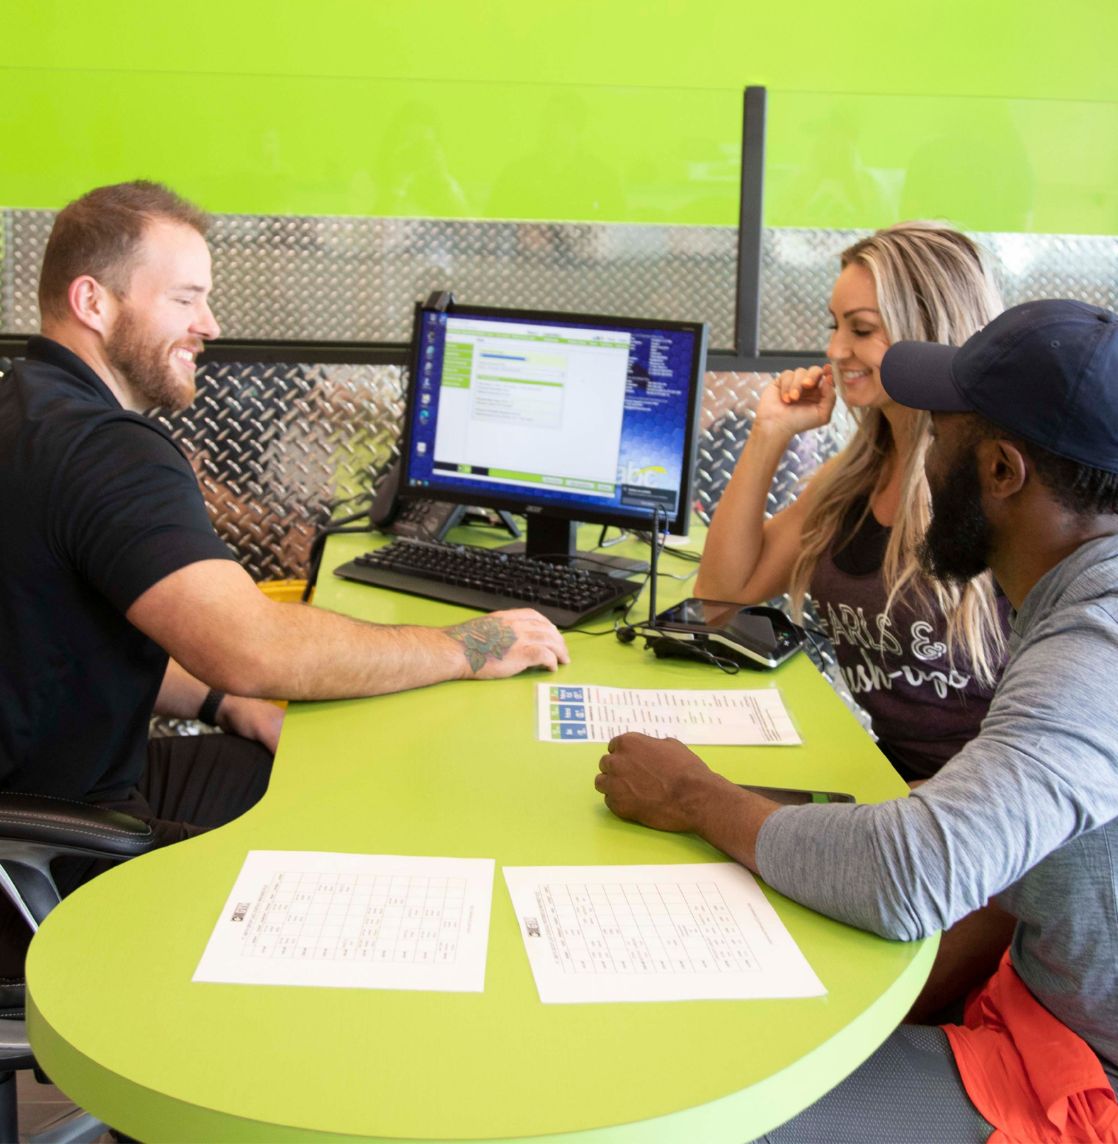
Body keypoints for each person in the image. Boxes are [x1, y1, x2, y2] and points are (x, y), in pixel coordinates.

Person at [596, 299, 1118, 1142]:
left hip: (1081, 1070)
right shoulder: (1074, 595)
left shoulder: (1097, 648)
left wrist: (698, 798)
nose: (922, 447)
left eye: (941, 428)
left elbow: (915, 874)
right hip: (1033, 994)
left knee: (696, 1111)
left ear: (1002, 471)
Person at [0, 181, 568, 887]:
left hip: (55, 793)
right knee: (347, 829)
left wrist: (224, 704)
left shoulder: (24, 409)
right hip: (53, 850)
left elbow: (67, 658)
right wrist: (470, 645)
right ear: (93, 302)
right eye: (184, 299)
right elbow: (254, 648)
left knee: (298, 765)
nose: (209, 324)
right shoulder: (105, 449)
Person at [696, 222, 1008, 779]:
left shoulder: (999, 485)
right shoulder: (851, 481)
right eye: (835, 326)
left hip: (978, 813)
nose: (836, 350)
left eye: (862, 329)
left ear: (926, 330)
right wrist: (769, 434)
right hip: (892, 785)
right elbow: (722, 597)